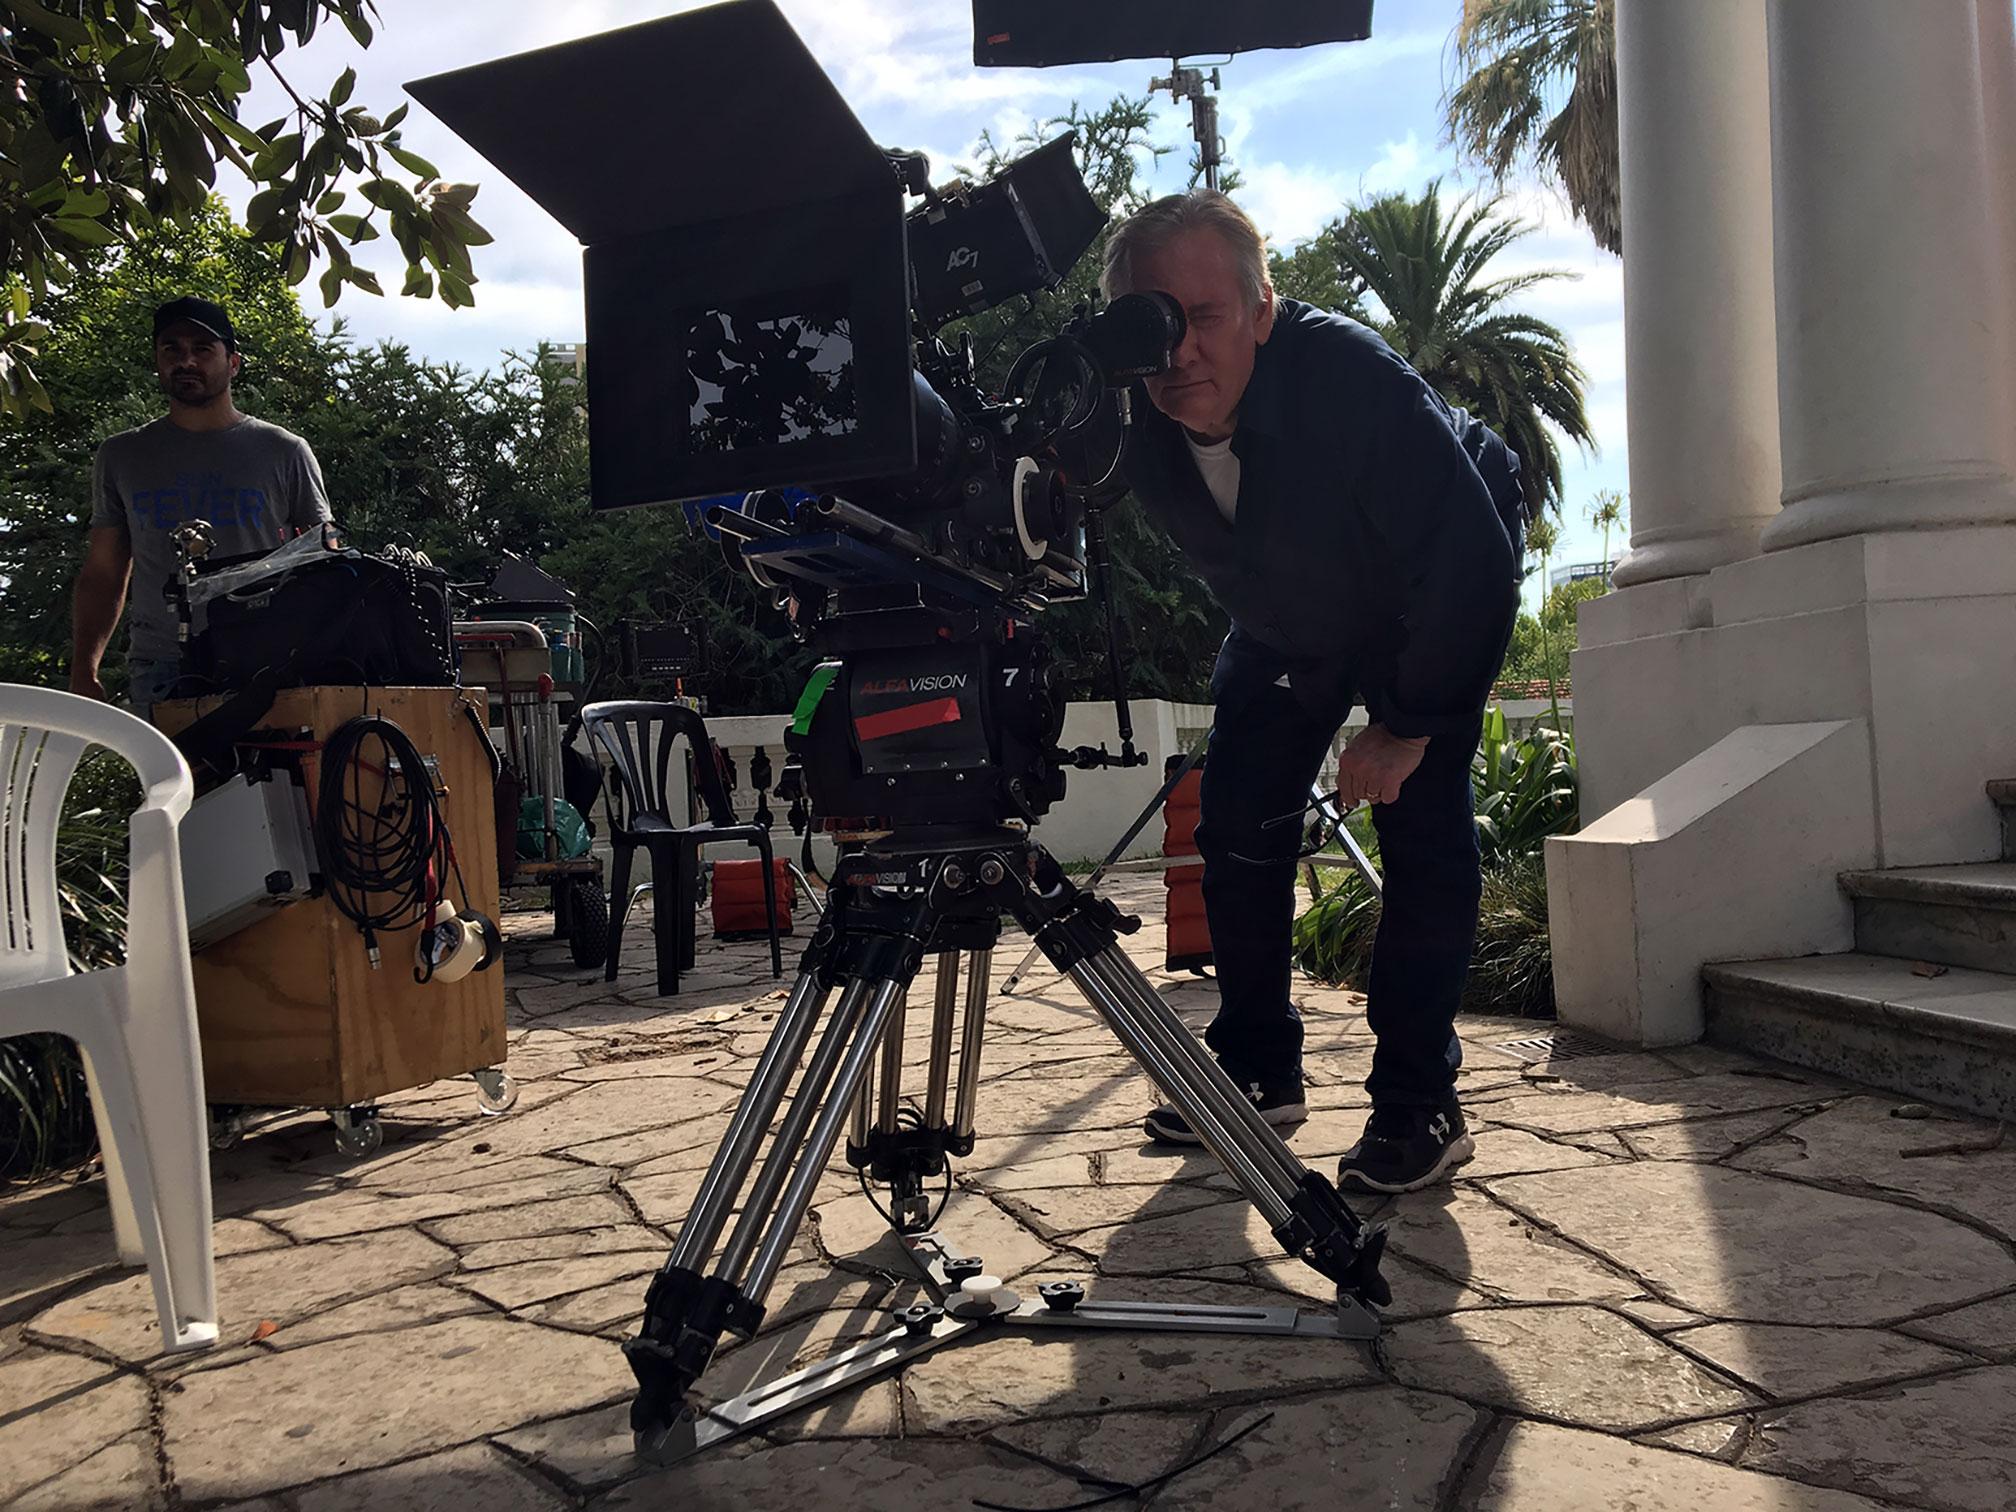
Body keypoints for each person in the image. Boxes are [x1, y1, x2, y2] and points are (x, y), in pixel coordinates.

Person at [1108, 192, 1522, 1193]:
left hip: (1425, 585)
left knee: (1421, 823)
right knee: (1236, 819)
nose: (1178, 351)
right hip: (1289, 607)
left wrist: (1408, 724)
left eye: (1204, 317)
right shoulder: (1124, 406)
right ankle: (1257, 1067)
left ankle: (1421, 1100)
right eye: (1152, 323)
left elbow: (1466, 562)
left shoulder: (1350, 379)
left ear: (1262, 310)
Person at [69, 295, 332, 717]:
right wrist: (84, 670)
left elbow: (324, 560)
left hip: (266, 661)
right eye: (171, 348)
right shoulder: (121, 456)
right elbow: (104, 572)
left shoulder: (284, 451)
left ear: (233, 363)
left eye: (203, 349)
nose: (186, 361)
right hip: (160, 666)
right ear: (158, 360)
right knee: (166, 766)